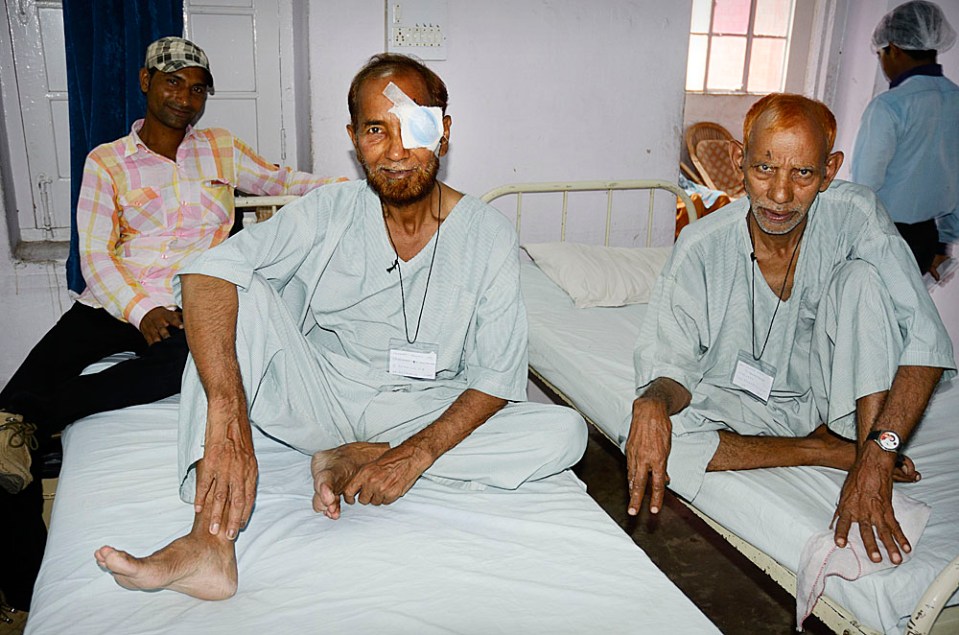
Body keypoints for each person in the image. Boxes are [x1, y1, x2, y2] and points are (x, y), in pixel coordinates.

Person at [93, 53, 587, 600]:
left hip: (419, 408)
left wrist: (413, 454)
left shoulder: (488, 234)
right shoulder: (327, 210)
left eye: (416, 127)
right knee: (235, 287)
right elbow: (206, 273)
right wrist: (228, 411)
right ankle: (209, 544)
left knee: (564, 433)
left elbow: (495, 377)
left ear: (444, 133)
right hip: (319, 396)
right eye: (376, 130)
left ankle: (360, 452)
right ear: (354, 140)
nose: (396, 151)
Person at [0, 36, 340, 618]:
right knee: (2, 419)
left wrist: (373, 185)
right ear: (146, 82)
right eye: (173, 82)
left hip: (192, 303)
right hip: (113, 303)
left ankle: (38, 420)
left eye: (197, 87)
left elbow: (289, 183)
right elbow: (95, 257)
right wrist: (141, 311)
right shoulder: (107, 161)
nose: (185, 97)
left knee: (194, 362)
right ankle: (25, 589)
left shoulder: (221, 150)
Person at [625, 93, 955, 566]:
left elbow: (925, 340)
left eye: (802, 173)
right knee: (648, 440)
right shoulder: (701, 247)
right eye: (765, 168)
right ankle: (822, 450)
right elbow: (671, 366)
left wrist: (880, 455)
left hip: (837, 399)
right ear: (739, 161)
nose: (780, 195)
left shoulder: (855, 216)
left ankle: (861, 454)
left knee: (862, 280)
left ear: (830, 170)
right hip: (740, 403)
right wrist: (653, 403)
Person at [851, 0, 958, 280]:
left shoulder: (889, 106)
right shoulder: (956, 100)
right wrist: (943, 245)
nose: (883, 64)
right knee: (905, 307)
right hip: (926, 240)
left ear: (894, 49)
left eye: (881, 55)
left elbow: (865, 186)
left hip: (883, 238)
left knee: (867, 307)